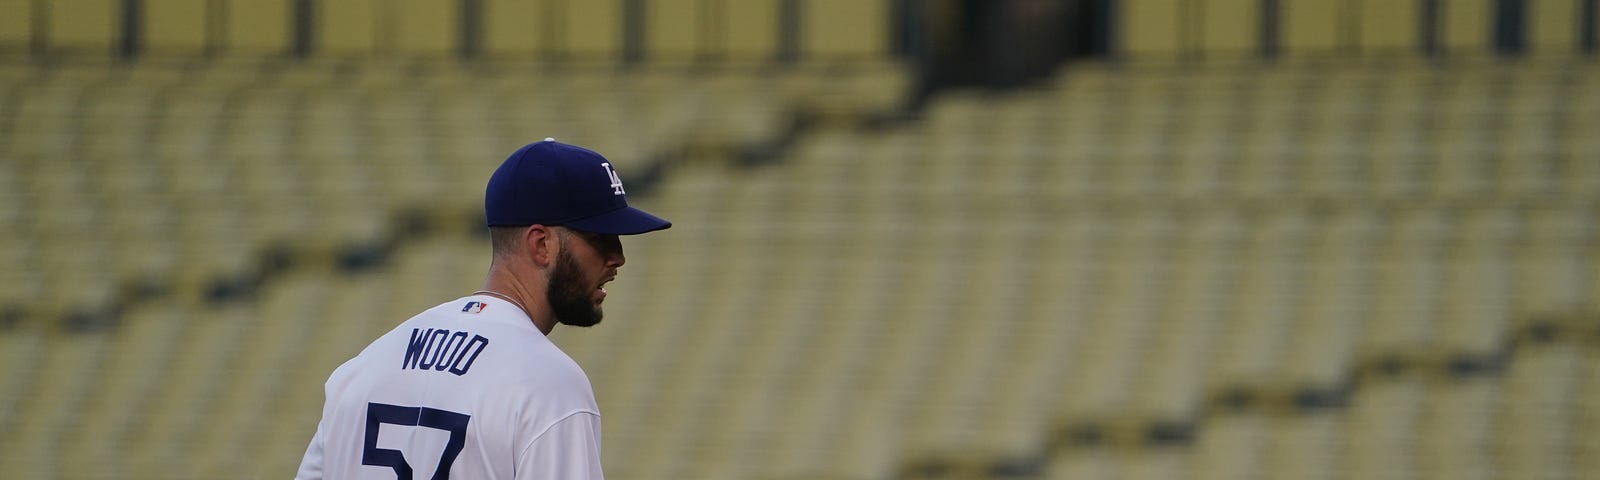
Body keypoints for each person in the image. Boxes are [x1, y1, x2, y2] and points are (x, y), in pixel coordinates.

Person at [295, 139, 671, 479]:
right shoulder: (549, 385)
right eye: (601, 239)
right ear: (541, 245)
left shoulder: (362, 368)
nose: (618, 257)